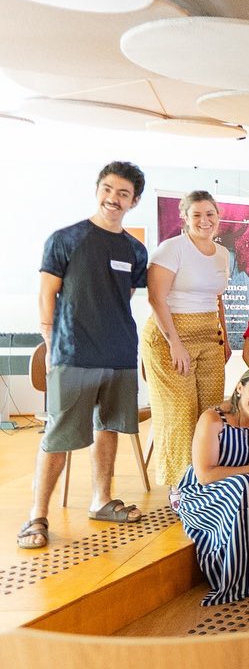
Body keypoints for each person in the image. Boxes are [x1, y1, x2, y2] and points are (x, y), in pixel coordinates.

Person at [19, 162, 149, 550]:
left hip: (120, 353)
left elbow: (122, 297)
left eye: (123, 193)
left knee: (107, 428)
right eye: (108, 189)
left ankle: (101, 500)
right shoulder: (66, 238)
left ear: (134, 201)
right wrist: (53, 339)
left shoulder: (134, 250)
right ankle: (36, 517)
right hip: (72, 355)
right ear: (97, 190)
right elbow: (47, 295)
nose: (114, 198)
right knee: (58, 437)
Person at [176, 366, 249, 605]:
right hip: (204, 493)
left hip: (242, 488)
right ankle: (236, 574)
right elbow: (205, 476)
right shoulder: (213, 418)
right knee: (246, 485)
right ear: (240, 388)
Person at [143, 191, 231, 502]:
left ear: (218, 216)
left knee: (209, 412)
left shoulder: (222, 254)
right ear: (185, 218)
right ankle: (180, 484)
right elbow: (156, 299)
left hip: (209, 335)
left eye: (210, 214)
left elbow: (217, 297)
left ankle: (205, 477)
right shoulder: (171, 249)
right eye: (197, 215)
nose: (204, 220)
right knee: (179, 414)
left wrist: (225, 338)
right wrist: (175, 344)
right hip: (170, 336)